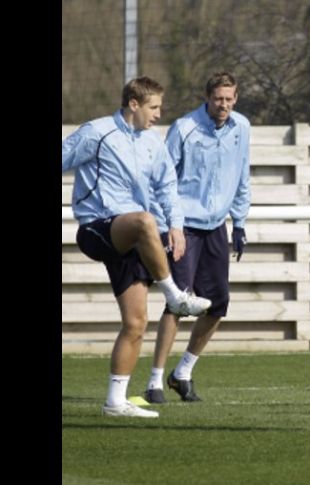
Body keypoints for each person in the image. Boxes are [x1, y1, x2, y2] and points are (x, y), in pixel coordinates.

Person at [61, 76, 212, 418]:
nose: (159, 114)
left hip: (132, 240)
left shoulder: (153, 143)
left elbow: (167, 187)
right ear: (133, 104)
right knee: (145, 221)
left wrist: (175, 225)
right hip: (97, 228)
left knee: (136, 323)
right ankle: (175, 295)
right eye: (154, 107)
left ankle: (116, 400)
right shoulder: (96, 132)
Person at [143, 72, 252, 404]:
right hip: (184, 226)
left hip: (217, 226)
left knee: (217, 305)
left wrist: (241, 222)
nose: (224, 105)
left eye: (229, 99)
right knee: (177, 302)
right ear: (207, 97)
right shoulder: (184, 129)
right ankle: (155, 381)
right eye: (218, 98)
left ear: (236, 99)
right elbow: (162, 178)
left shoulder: (242, 128)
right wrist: (168, 227)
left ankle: (183, 373)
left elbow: (242, 173)